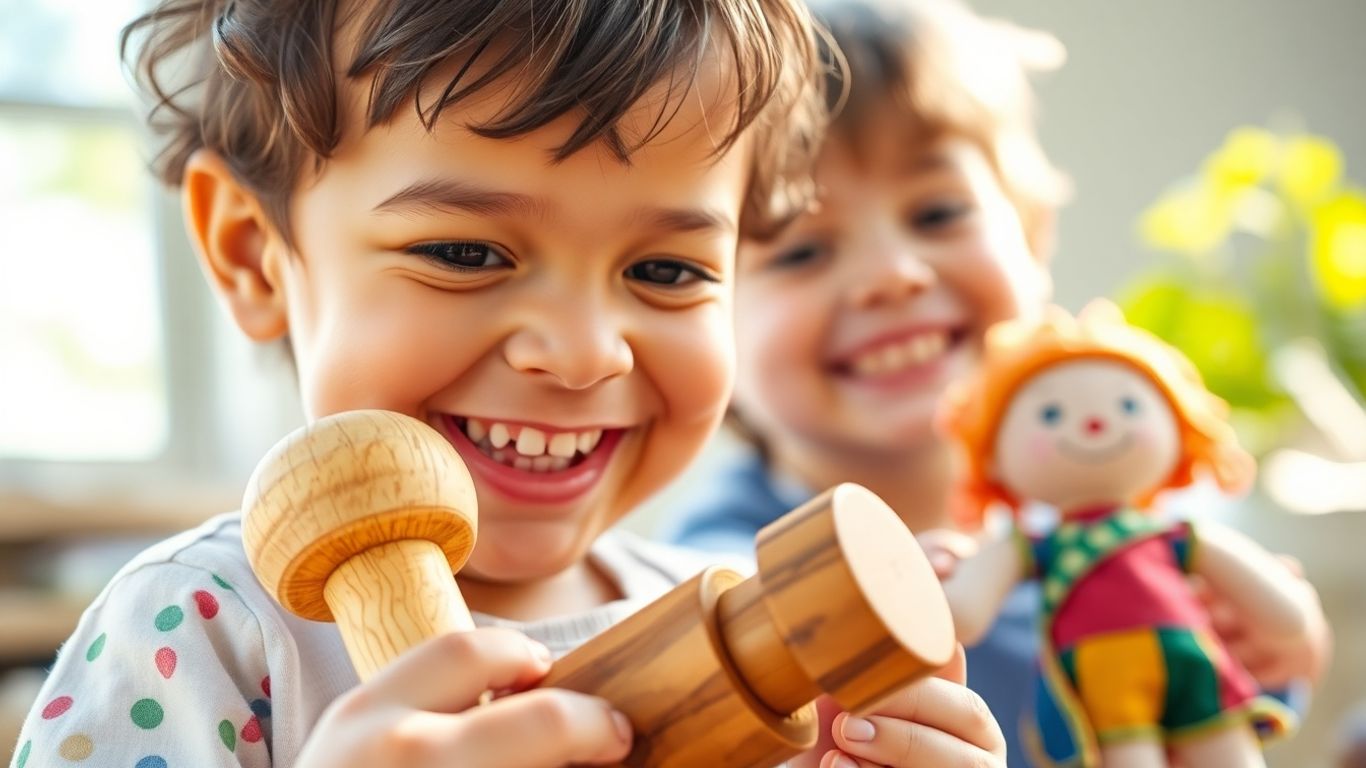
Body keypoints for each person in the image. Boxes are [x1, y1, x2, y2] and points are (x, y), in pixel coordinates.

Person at [9, 2, 1005, 768]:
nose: (582, 355)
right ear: (253, 257)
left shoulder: (744, 641)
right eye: (464, 251)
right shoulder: (200, 625)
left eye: (666, 271)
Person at [660, 0, 1329, 764]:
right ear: (701, 303)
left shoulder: (1148, 502)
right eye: (802, 252)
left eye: (938, 213)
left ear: (1035, 234)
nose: (893, 275)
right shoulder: (713, 578)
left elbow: (1209, 697)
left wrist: (1280, 654)